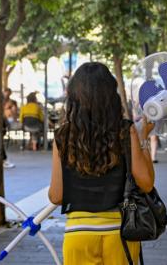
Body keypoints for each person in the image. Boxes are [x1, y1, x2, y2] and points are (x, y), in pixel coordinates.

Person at [48, 62, 155, 265]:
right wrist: (143, 140)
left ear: (73, 96)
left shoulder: (62, 135)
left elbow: (56, 196)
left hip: (78, 236)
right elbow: (146, 183)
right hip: (120, 234)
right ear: (111, 95)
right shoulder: (126, 131)